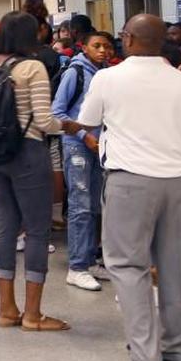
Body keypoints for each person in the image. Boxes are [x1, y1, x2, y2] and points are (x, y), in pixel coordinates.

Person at [65, 14, 181, 361]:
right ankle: (177, 347)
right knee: (176, 266)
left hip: (129, 182)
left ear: (129, 39)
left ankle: (145, 355)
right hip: (179, 181)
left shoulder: (108, 77)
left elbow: (87, 119)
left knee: (129, 266)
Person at [0, 11, 71, 332]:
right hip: (28, 152)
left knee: (5, 226)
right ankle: (33, 314)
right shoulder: (32, 67)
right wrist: (70, 126)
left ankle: (7, 309)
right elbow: (45, 120)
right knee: (37, 230)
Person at [51, 30, 114, 291]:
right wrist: (82, 134)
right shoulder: (74, 73)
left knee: (96, 206)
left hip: (100, 148)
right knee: (80, 205)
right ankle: (76, 267)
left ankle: (89, 260)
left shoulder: (106, 75)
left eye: (107, 46)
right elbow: (57, 111)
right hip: (77, 146)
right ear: (84, 47)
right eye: (96, 46)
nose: (102, 51)